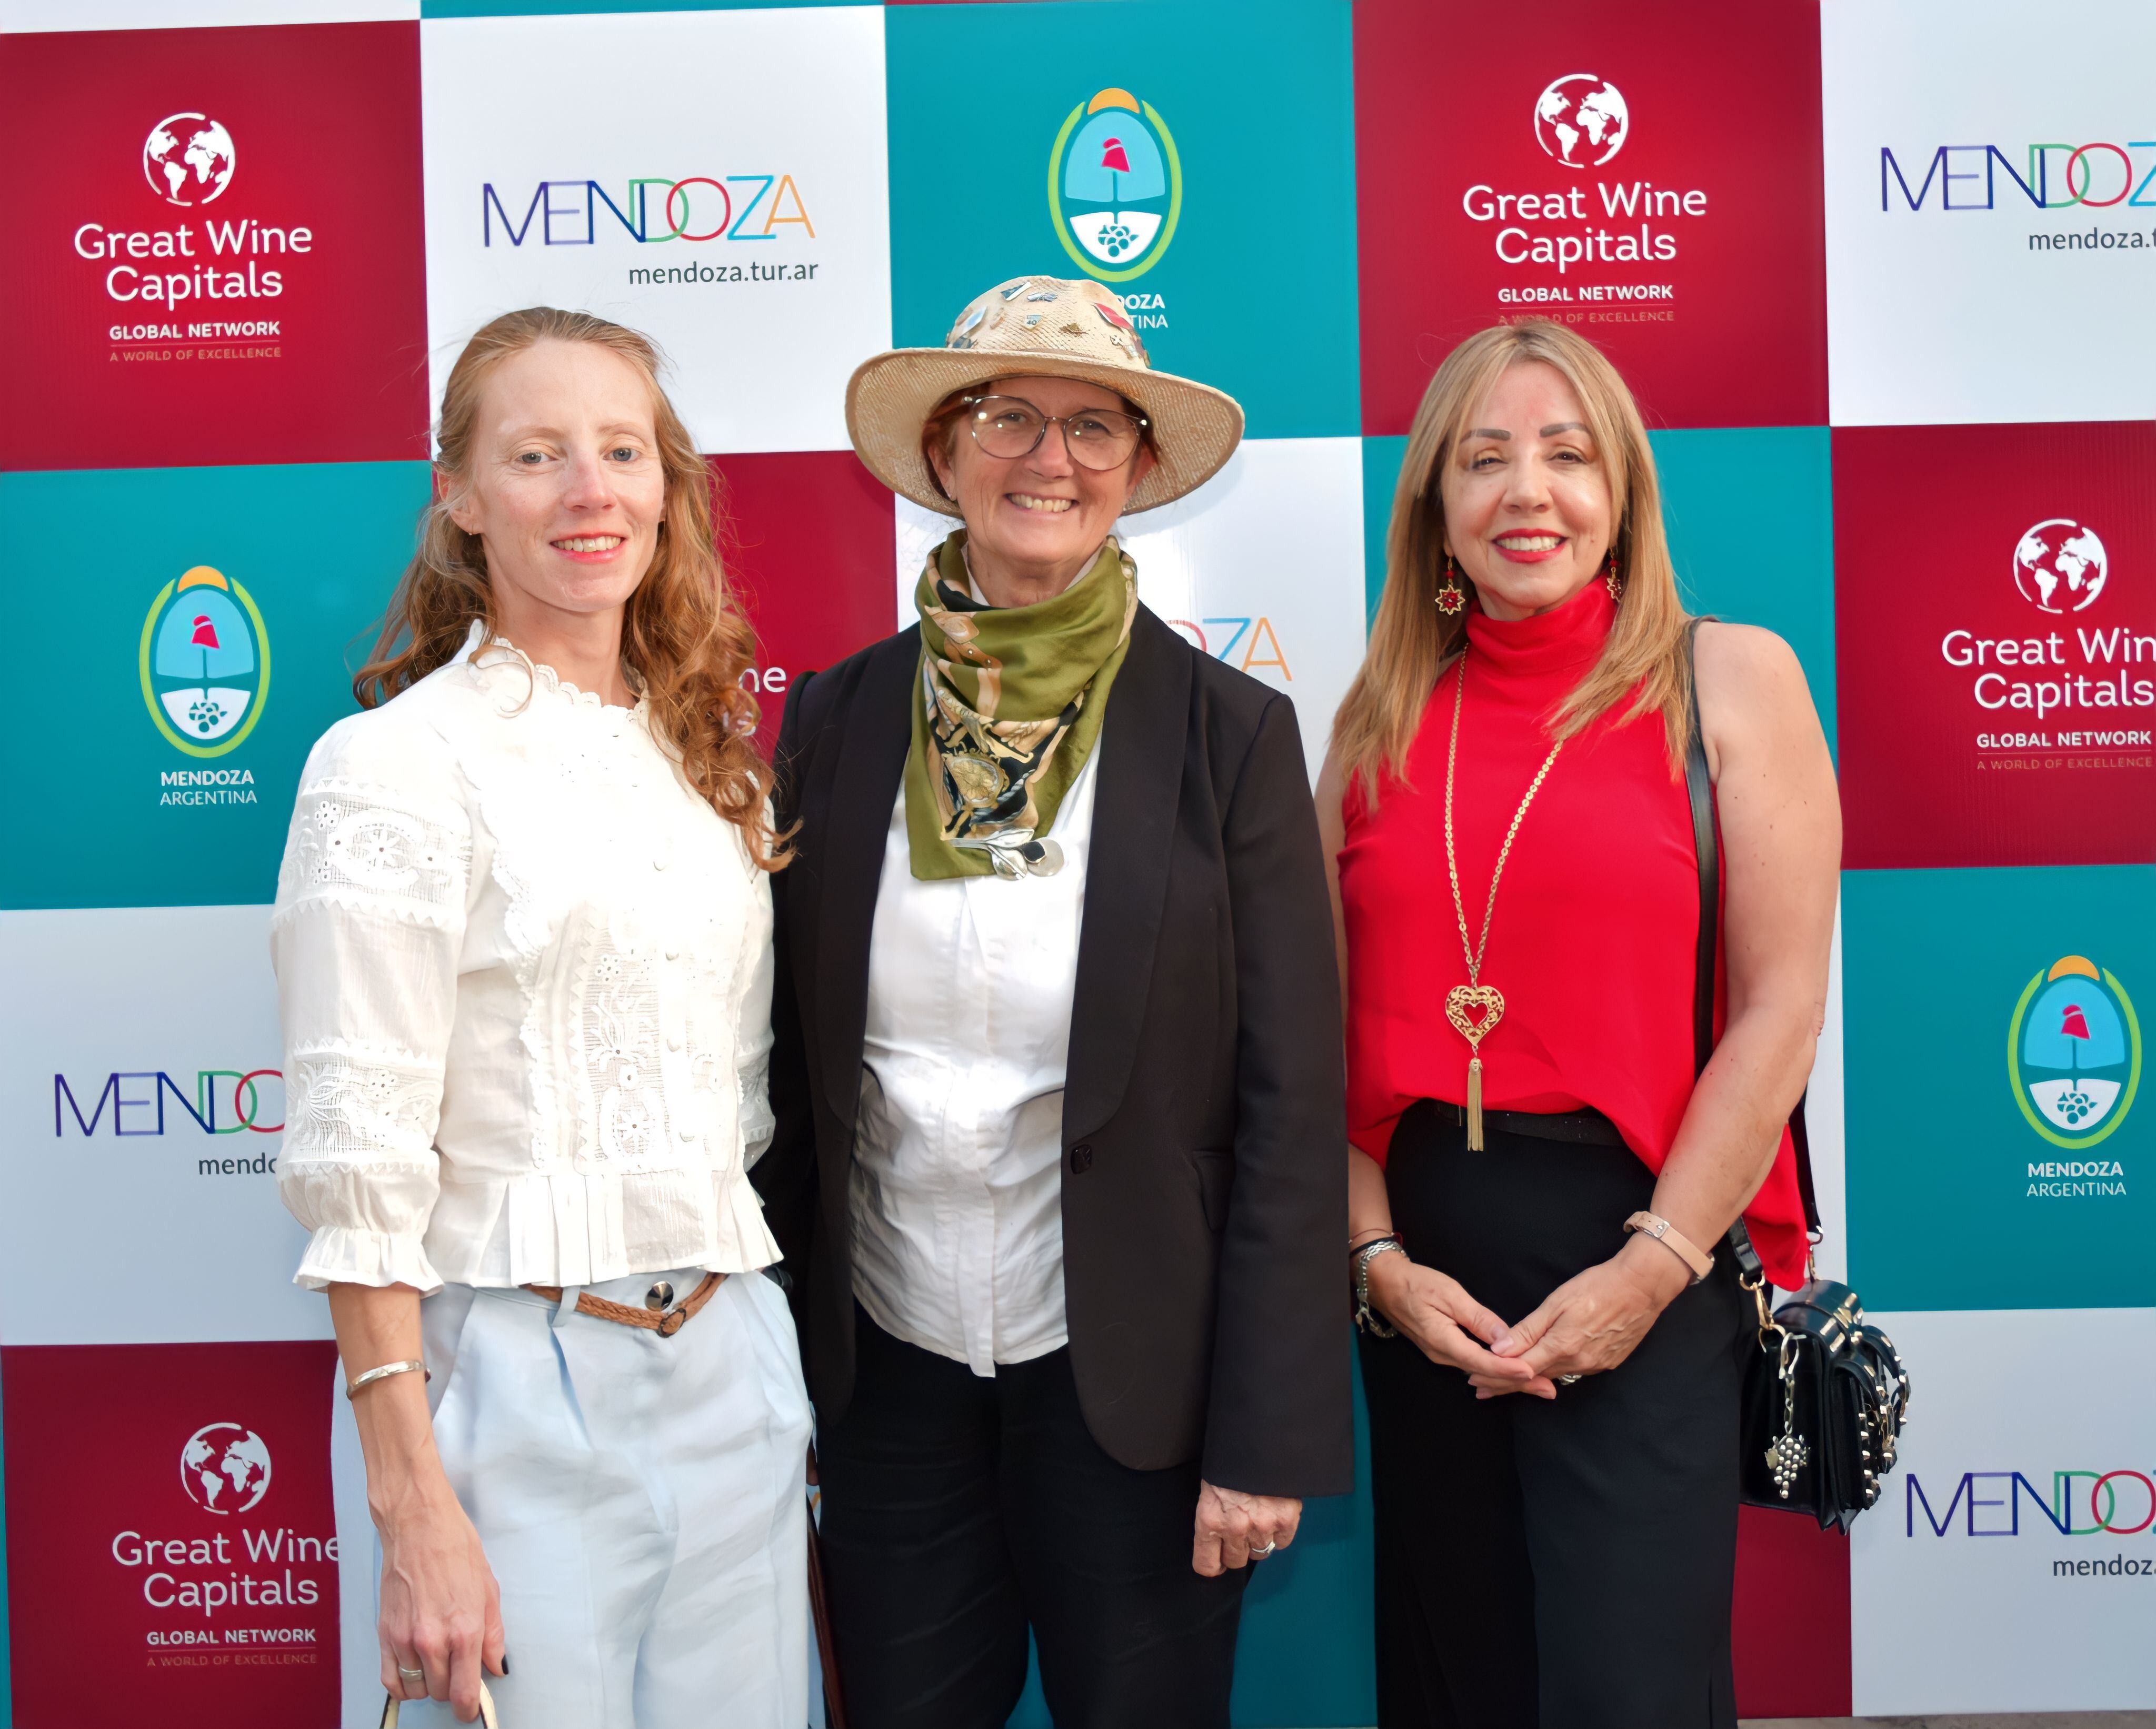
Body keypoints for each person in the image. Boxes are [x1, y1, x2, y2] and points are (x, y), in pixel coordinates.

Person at [754, 274, 1352, 1729]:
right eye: (1008, 416)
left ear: (1138, 472)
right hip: (888, 1387)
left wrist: (1260, 1428)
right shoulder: (834, 716)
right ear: (945, 453)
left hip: (1137, 1397)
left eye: (1095, 426)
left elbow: (1290, 1105)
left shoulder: (1232, 735)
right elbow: (775, 1061)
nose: (1051, 458)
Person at [271, 307, 810, 1727]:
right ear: (458, 496)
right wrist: (414, 1501)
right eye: (537, 454)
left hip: (737, 1369)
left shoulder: (716, 772)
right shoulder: (391, 767)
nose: (592, 492)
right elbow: (359, 1163)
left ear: (667, 485)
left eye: (623, 450)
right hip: (507, 1394)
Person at [1321, 319, 1838, 1728]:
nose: (1526, 492)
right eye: (1482, 459)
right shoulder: (1374, 719)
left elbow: (1782, 1005)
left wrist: (1653, 1268)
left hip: (1648, 1252)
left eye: (1566, 454)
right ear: (1434, 505)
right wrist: (1376, 1260)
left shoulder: (1730, 680)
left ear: (1623, 495)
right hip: (1425, 1285)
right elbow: (1308, 1041)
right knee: (1458, 1680)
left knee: (1631, 1691)